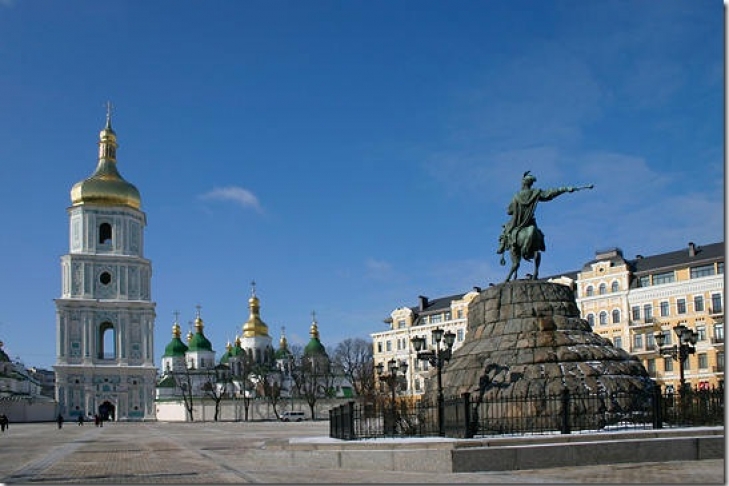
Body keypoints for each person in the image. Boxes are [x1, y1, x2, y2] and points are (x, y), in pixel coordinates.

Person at [498, 171, 592, 281]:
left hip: (517, 223)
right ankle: (536, 265)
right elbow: (549, 194)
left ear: (523, 183)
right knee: (539, 235)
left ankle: (502, 246)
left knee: (506, 233)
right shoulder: (536, 193)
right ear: (531, 184)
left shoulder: (516, 196)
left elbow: (509, 211)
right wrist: (565, 189)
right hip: (529, 222)